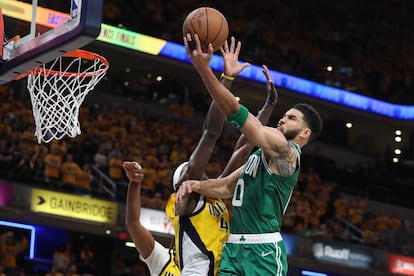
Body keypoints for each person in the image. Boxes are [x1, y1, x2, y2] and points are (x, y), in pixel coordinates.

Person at [125, 37, 278, 276]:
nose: (201, 171)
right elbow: (210, 134)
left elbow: (245, 146)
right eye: (191, 171)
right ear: (181, 186)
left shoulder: (214, 196)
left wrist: (268, 105)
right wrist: (226, 79)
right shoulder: (186, 202)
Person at [176, 33, 323, 275]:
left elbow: (241, 118)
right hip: (234, 250)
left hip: (263, 252)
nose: (283, 119)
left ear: (305, 132)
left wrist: (205, 70)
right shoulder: (260, 157)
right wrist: (194, 185)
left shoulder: (287, 153)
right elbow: (225, 187)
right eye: (284, 115)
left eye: (292, 118)